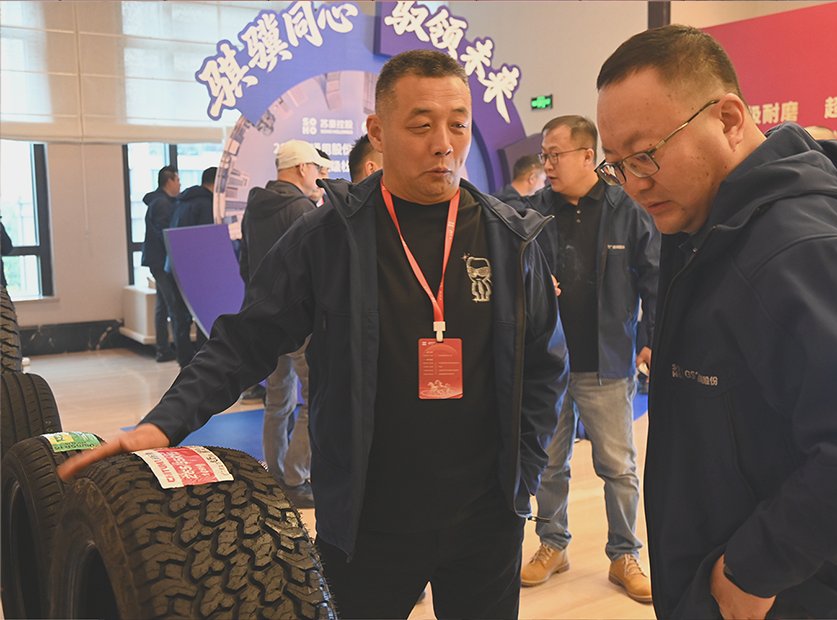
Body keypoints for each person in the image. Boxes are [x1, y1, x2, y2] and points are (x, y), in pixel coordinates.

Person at [60, 49, 568, 620]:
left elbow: (546, 366)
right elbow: (245, 339)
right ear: (378, 131)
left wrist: (521, 476)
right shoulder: (329, 236)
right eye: (422, 125)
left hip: (485, 522)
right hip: (367, 524)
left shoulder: (508, 239)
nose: (444, 144)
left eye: (458, 124)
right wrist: (164, 423)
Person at [595, 24, 837, 619]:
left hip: (804, 596)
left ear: (727, 119)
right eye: (617, 165)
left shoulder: (799, 251)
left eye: (647, 154)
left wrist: (755, 566)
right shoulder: (705, 227)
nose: (635, 184)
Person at [520, 115, 659, 604]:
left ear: (586, 156)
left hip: (608, 361)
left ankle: (624, 554)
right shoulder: (533, 211)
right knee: (548, 465)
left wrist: (650, 338)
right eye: (543, 155)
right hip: (548, 362)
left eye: (554, 155)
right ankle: (552, 544)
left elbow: (654, 276)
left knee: (618, 467)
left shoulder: (626, 209)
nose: (547, 165)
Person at [238, 140, 328, 509]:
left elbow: (245, 265)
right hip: (301, 323)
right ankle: (296, 477)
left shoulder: (253, 208)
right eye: (317, 168)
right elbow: (319, 270)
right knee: (316, 398)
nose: (319, 176)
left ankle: (275, 474)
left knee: (277, 401)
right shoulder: (301, 209)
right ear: (303, 167)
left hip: (266, 320)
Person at [163, 166, 217, 365]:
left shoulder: (180, 201)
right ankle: (203, 364)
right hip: (197, 270)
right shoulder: (207, 205)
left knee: (180, 318)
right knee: (204, 317)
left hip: (174, 267)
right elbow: (208, 240)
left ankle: (184, 362)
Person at [141, 165, 192, 365]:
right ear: (169, 181)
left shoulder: (158, 201)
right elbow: (165, 234)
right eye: (178, 180)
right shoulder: (162, 203)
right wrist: (177, 255)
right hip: (162, 261)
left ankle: (163, 349)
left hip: (157, 260)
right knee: (173, 306)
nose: (180, 184)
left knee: (162, 306)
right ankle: (178, 351)